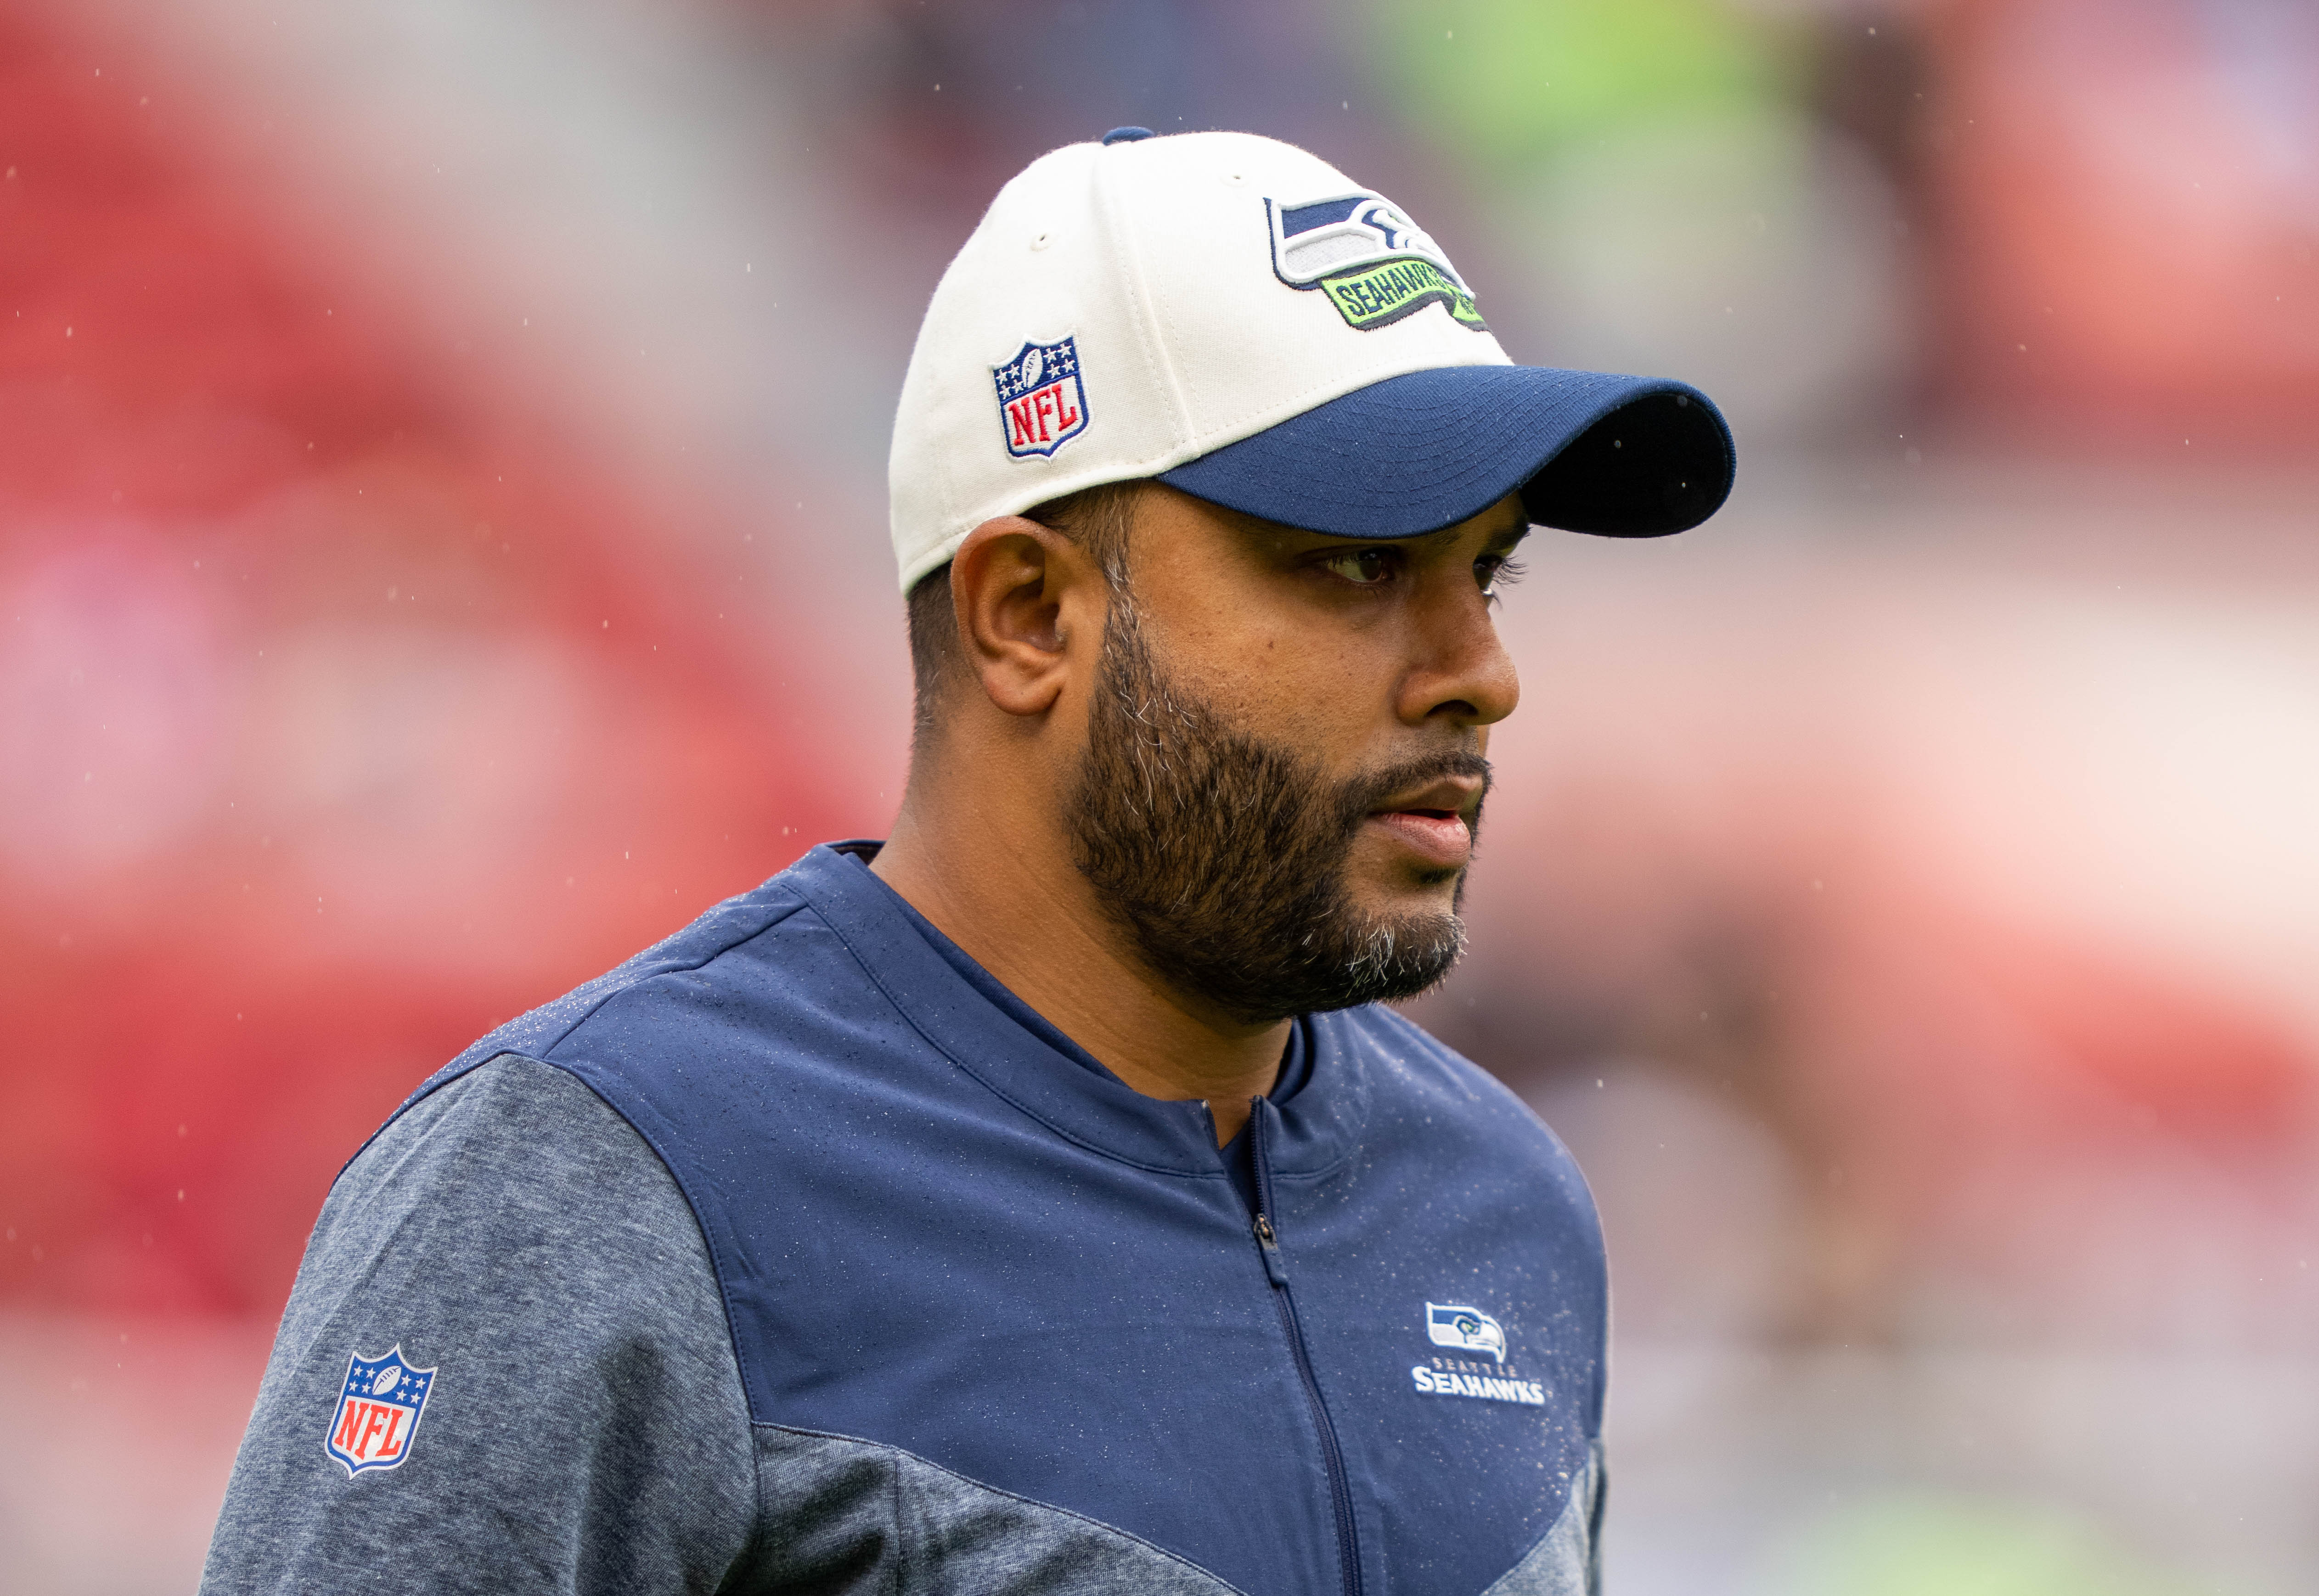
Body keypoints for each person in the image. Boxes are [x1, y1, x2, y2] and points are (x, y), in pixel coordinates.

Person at [199, 128, 1732, 1595]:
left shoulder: (1504, 1201)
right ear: (1027, 614)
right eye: (1358, 563)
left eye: (1486, 573)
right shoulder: (605, 1175)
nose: (1482, 673)